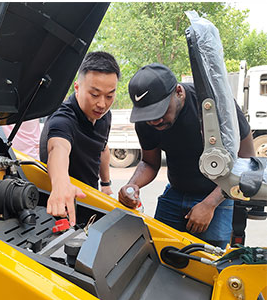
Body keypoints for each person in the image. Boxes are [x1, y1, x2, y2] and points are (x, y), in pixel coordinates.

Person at [119, 64, 254, 248]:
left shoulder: (216, 106)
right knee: (158, 250)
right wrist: (133, 184)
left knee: (209, 262)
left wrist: (210, 204)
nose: (154, 121)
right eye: (148, 115)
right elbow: (149, 163)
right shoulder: (146, 120)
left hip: (217, 194)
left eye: (160, 111)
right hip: (175, 192)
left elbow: (247, 161)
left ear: (179, 92)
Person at [39, 51, 119, 225]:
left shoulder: (104, 116)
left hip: (91, 197)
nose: (102, 104)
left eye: (109, 96)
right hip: (63, 202)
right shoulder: (62, 118)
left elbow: (102, 148)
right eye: (95, 94)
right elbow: (58, 148)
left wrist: (106, 184)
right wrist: (60, 185)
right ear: (77, 87)